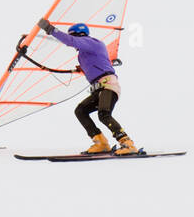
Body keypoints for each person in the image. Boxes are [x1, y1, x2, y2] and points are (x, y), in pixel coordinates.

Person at [38, 18, 137, 155]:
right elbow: (94, 63)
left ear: (79, 35)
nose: (73, 42)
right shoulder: (83, 53)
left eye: (73, 36)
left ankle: (127, 143)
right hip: (98, 89)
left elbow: (70, 41)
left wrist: (51, 29)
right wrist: (82, 68)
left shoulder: (92, 42)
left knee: (104, 114)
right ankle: (101, 143)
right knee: (81, 111)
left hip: (108, 86)